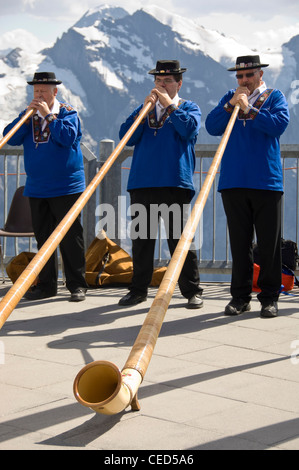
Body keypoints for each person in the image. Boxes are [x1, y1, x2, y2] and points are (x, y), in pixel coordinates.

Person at [205, 55, 290, 318]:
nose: (244, 81)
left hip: (266, 181)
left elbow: (278, 125)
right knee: (239, 243)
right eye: (240, 76)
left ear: (260, 75)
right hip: (233, 181)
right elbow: (211, 126)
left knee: (269, 243)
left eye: (249, 75)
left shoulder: (275, 97)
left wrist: (250, 110)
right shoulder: (229, 98)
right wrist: (231, 105)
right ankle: (240, 297)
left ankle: (269, 297)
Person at [118, 60, 203, 308]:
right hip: (143, 183)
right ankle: (138, 290)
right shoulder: (144, 109)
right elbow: (126, 136)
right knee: (142, 240)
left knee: (180, 240)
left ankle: (192, 290)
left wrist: (168, 105)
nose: (161, 85)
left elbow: (188, 131)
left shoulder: (189, 108)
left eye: (167, 81)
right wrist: (143, 111)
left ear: (179, 83)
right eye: (158, 81)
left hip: (175, 182)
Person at [3, 72, 88, 302]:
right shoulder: (29, 115)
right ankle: (46, 284)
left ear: (54, 92)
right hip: (37, 186)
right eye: (36, 91)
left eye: (43, 91)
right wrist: (27, 118)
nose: (39, 95)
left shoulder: (68, 112)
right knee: (43, 238)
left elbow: (67, 137)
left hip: (66, 186)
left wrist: (48, 116)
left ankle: (77, 285)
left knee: (71, 237)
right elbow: (9, 136)